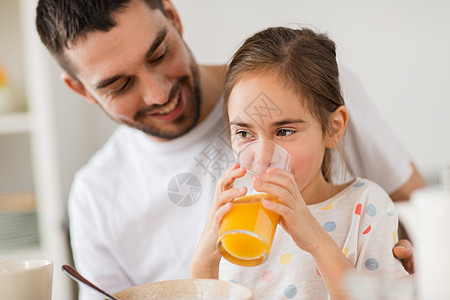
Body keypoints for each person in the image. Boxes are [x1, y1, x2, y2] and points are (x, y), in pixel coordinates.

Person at [35, 0, 424, 298]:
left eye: (159, 54)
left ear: (172, 16)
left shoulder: (306, 86)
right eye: (118, 85)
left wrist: (423, 265)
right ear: (81, 90)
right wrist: (203, 262)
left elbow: (426, 219)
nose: (158, 93)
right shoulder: (94, 195)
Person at [190, 26, 408, 299]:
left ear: (333, 128)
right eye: (244, 133)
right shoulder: (236, 220)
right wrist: (204, 264)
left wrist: (317, 241)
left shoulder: (366, 206)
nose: (262, 157)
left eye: (284, 132)